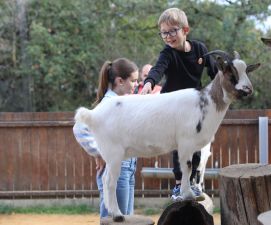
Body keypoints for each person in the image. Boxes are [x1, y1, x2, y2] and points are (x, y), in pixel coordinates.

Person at [140, 7, 218, 201]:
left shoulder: (200, 49)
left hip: (194, 103)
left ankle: (192, 182)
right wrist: (149, 83)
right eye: (164, 33)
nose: (168, 37)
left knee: (197, 144)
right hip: (173, 105)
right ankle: (178, 185)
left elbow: (215, 72)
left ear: (185, 30)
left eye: (172, 31)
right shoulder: (168, 53)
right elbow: (158, 69)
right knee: (180, 144)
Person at [73, 58, 139, 218]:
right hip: (118, 169)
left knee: (125, 220)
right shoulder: (110, 104)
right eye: (134, 81)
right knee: (115, 220)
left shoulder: (122, 102)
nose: (136, 85)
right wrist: (101, 153)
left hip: (128, 168)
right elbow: (79, 127)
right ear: (120, 81)